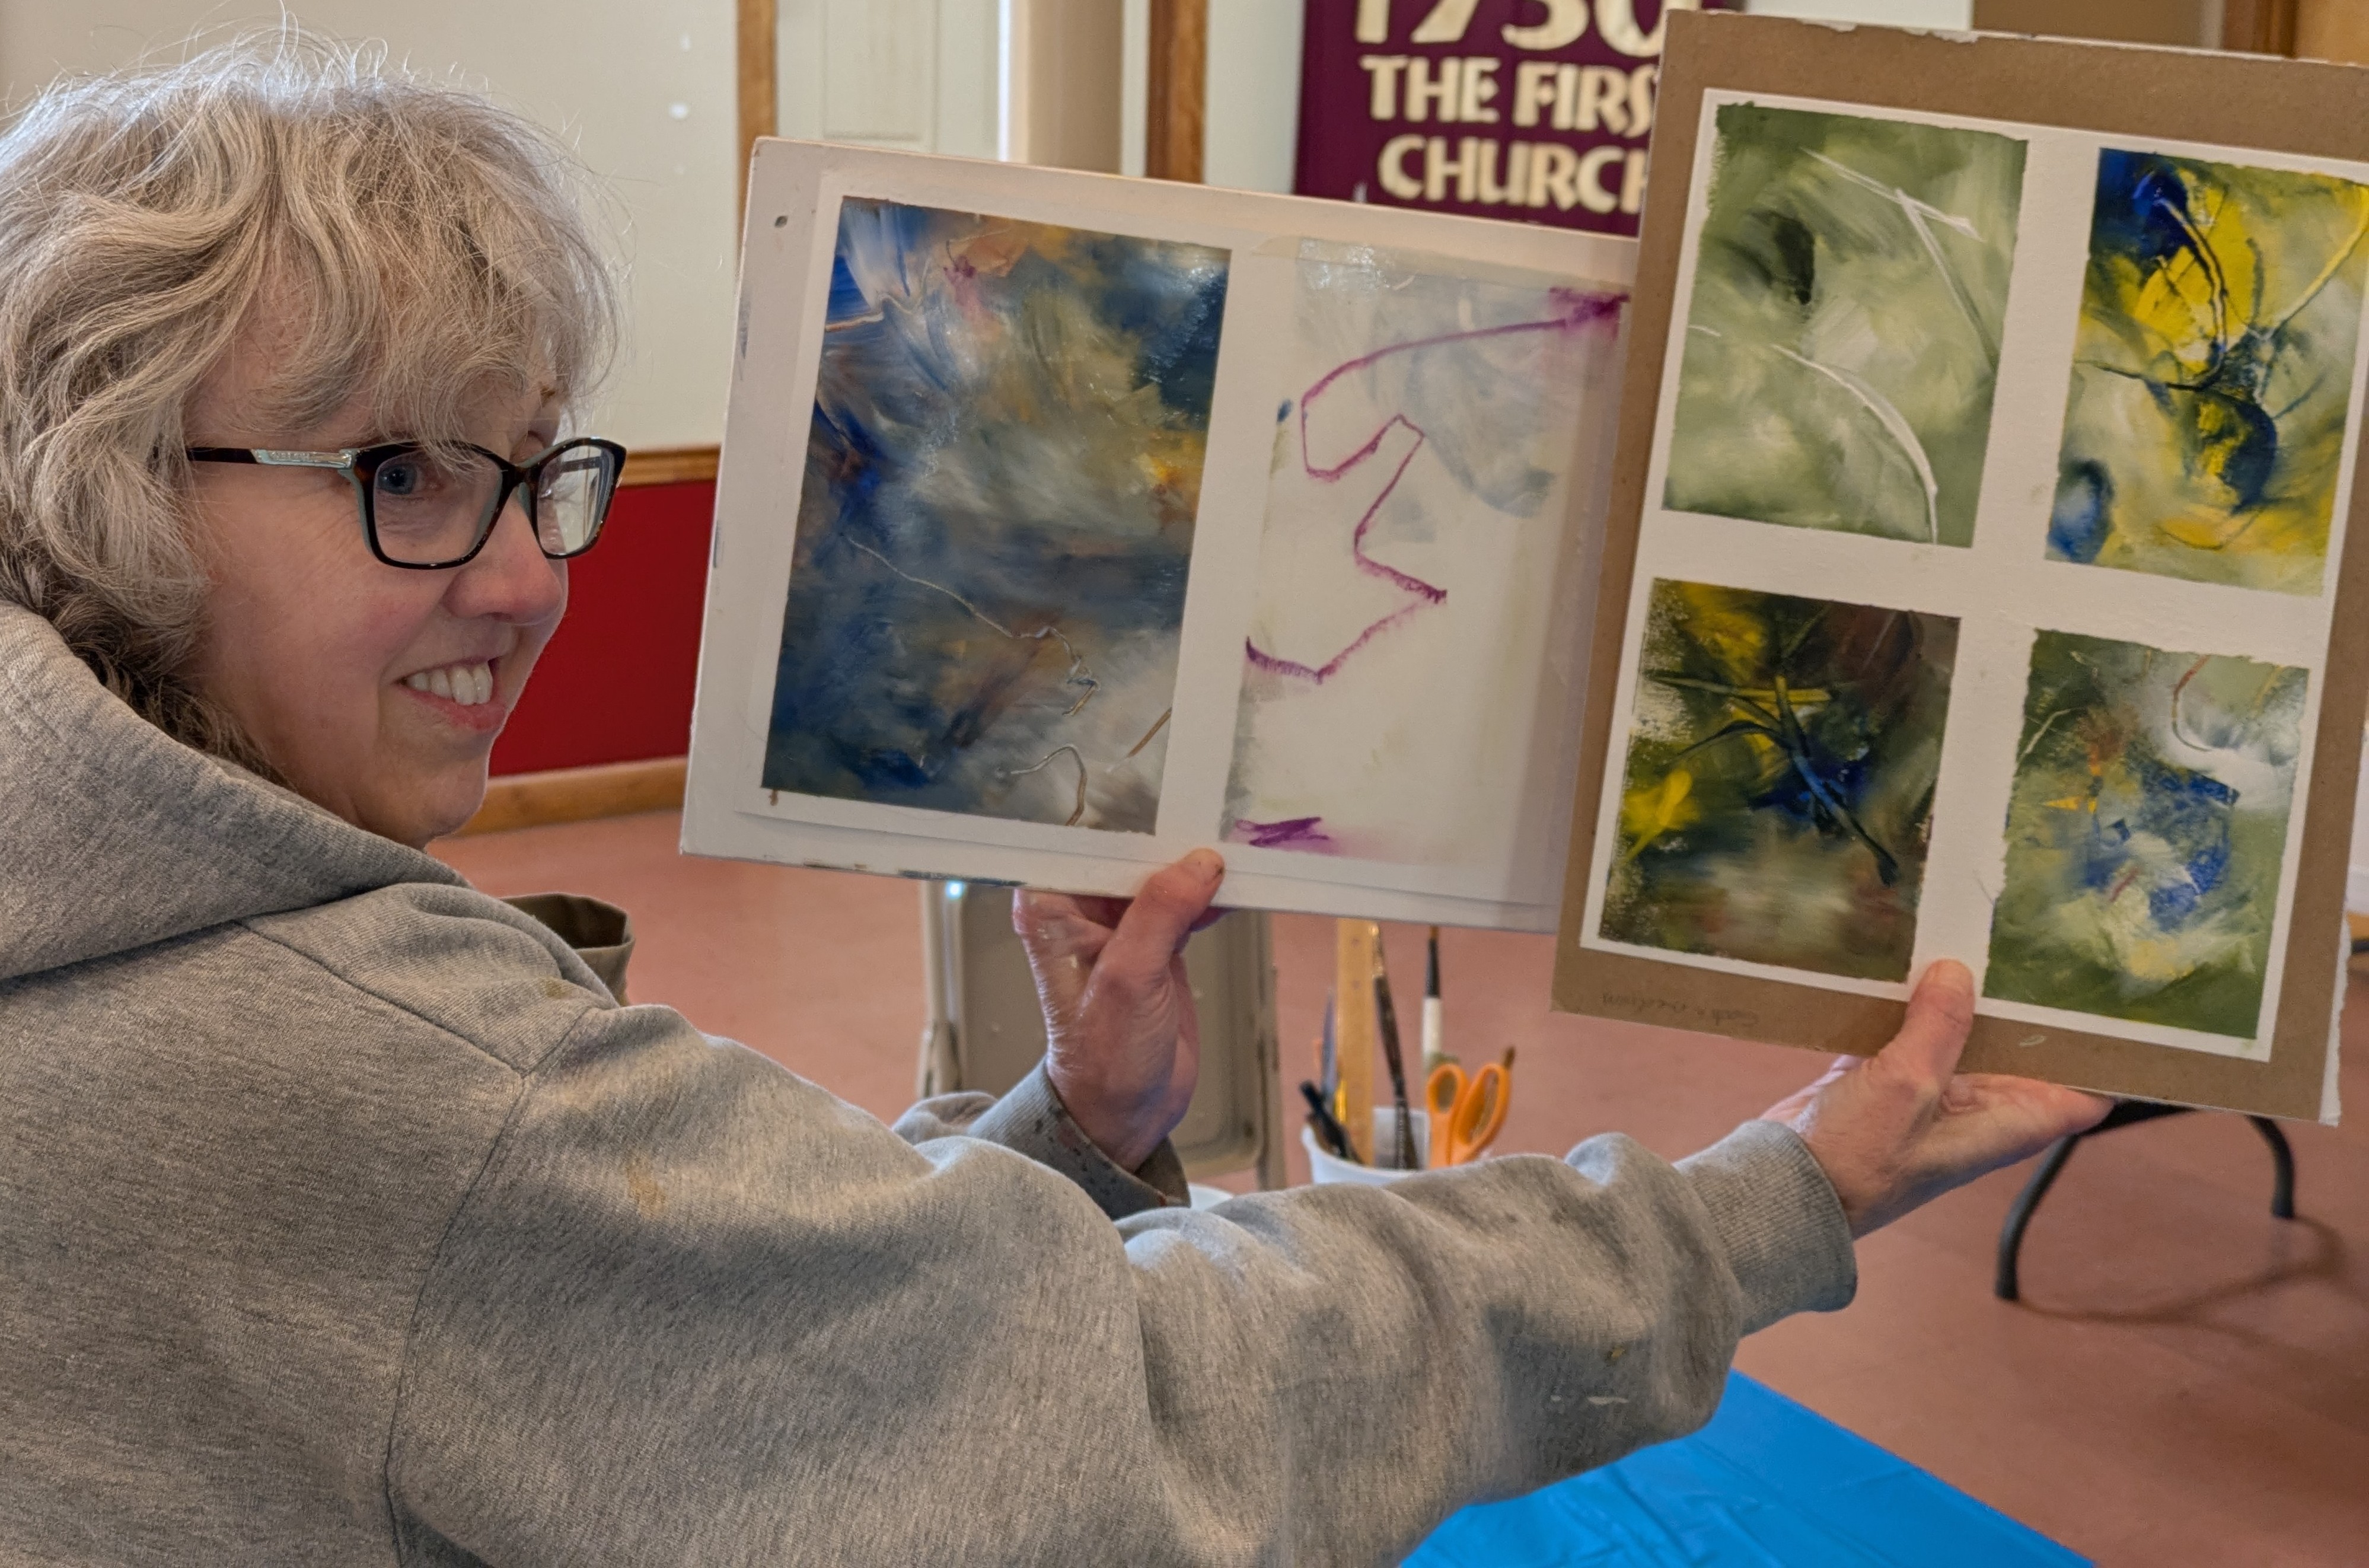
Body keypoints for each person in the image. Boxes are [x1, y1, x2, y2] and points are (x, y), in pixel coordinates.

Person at [0, 39, 2106, 1565]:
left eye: (533, 470)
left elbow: (691, 1363)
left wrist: (1067, 1142)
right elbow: (1130, 1407)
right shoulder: (392, 1080)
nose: (528, 578)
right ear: (105, 478)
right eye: (401, 472)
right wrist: (1770, 1195)